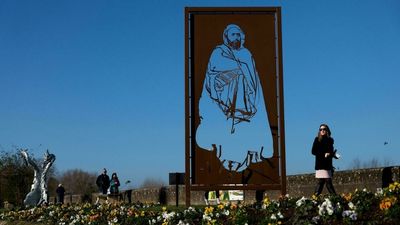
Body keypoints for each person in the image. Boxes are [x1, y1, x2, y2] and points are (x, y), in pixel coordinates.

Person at [196, 23, 273, 172]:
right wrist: (238, 69)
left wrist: (242, 70)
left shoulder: (246, 54)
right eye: (233, 35)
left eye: (238, 35)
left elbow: (252, 76)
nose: (236, 38)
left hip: (246, 100)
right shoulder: (219, 52)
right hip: (222, 98)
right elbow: (214, 69)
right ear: (226, 37)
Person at [311, 124, 337, 195]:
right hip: (320, 164)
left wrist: (332, 154)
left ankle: (314, 199)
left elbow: (331, 151)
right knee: (324, 182)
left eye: (324, 129)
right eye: (320, 129)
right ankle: (335, 198)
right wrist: (323, 154)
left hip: (327, 164)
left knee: (324, 182)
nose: (322, 130)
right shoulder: (317, 139)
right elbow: (313, 151)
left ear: (327, 130)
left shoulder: (330, 140)